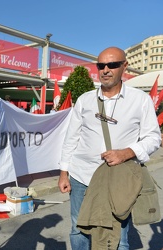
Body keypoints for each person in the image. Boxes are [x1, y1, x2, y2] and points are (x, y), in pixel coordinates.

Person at [58, 47, 161, 249]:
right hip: (82, 176)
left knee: (119, 237)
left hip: (118, 178)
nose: (106, 70)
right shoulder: (85, 100)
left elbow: (153, 138)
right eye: (101, 65)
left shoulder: (140, 100)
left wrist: (127, 153)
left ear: (124, 66)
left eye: (112, 65)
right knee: (78, 230)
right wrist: (64, 172)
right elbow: (71, 138)